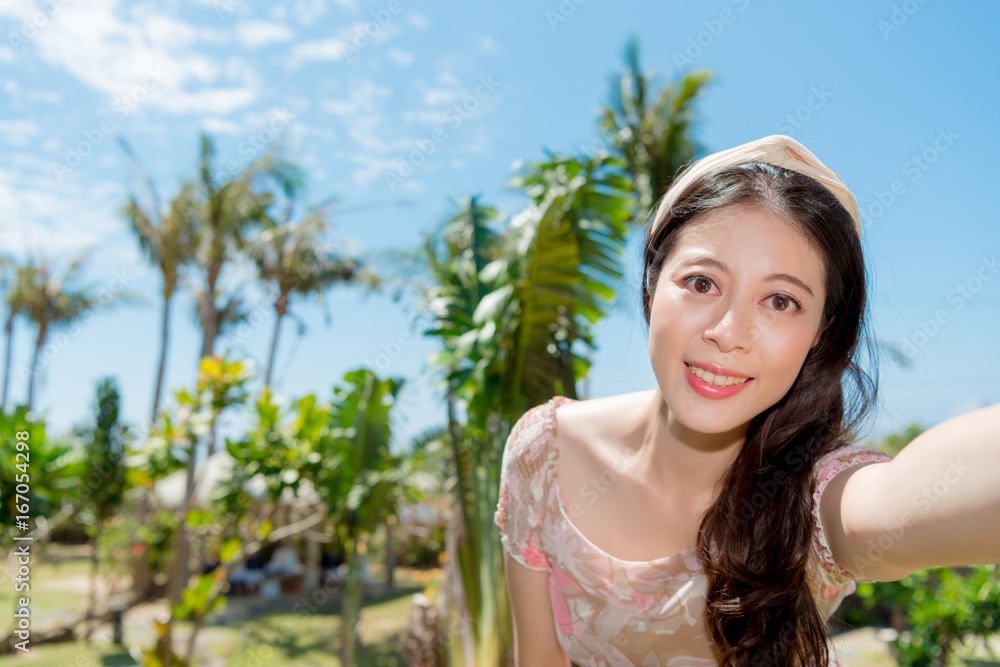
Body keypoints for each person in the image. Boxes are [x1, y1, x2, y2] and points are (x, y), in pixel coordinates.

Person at [493, 134, 1000, 666]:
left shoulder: (810, 500)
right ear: (651, 283)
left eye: (781, 301)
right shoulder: (543, 451)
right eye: (702, 282)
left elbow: (906, 500)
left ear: (820, 335)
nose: (729, 332)